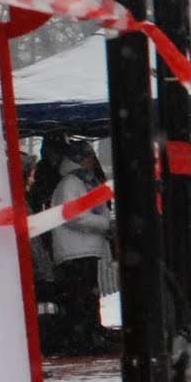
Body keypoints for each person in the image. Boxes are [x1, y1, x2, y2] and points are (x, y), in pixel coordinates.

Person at [46, 137, 115, 355]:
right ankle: (81, 340)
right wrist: (105, 224)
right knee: (80, 297)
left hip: (84, 248)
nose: (92, 161)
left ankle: (88, 336)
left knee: (86, 296)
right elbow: (74, 215)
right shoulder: (71, 183)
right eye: (88, 157)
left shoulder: (83, 182)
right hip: (75, 250)